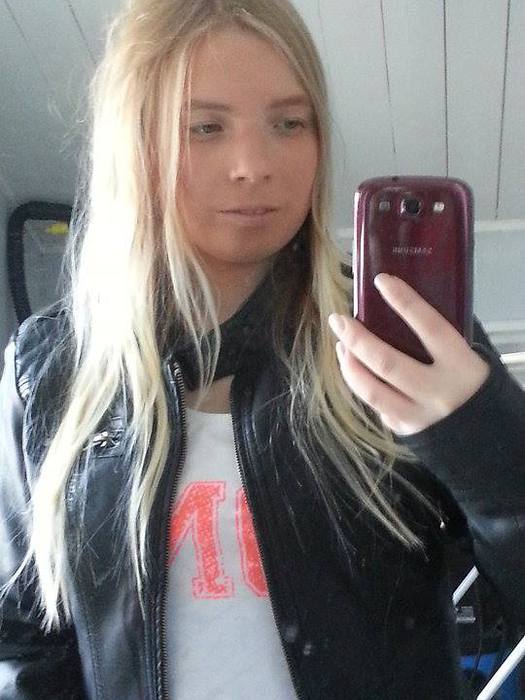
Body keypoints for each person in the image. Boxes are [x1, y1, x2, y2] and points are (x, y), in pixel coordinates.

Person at [0, 0, 523, 698]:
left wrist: (483, 437)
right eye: (205, 127)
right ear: (136, 144)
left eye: (288, 123)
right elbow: (28, 639)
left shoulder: (400, 339)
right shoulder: (49, 368)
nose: (253, 166)